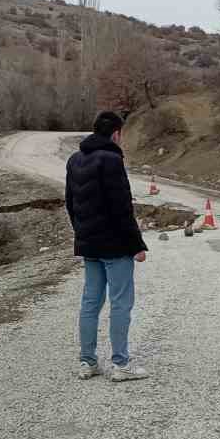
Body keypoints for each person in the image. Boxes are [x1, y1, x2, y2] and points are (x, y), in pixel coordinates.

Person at [65, 111, 149, 382]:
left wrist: (83, 234)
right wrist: (137, 245)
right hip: (115, 246)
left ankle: (87, 362)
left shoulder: (74, 160)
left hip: (90, 245)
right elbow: (122, 208)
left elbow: (71, 204)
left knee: (90, 303)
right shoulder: (112, 160)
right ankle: (121, 365)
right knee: (121, 303)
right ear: (116, 133)